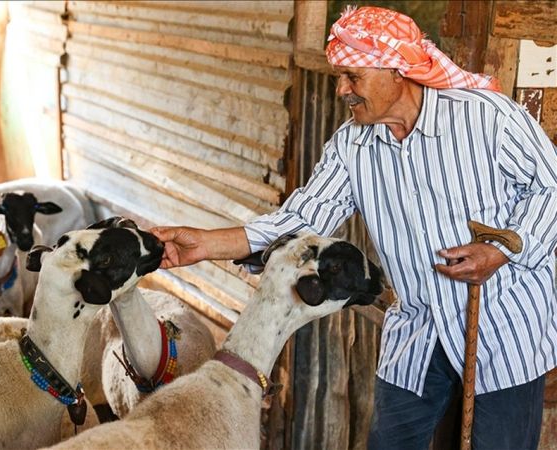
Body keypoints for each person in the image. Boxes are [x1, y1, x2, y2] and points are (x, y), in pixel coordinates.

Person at [151, 6, 556, 450]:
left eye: (352, 76)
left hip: (501, 326)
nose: (342, 89)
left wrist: (502, 250)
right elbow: (301, 220)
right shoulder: (352, 145)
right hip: (417, 329)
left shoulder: (487, 119)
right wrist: (205, 244)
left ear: (397, 71)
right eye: (340, 76)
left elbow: (551, 189)